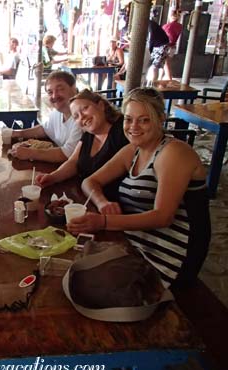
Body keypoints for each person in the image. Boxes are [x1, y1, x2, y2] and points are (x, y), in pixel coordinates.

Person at [67, 88, 211, 288]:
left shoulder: (174, 152)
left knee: (89, 283)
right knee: (73, 269)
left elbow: (163, 216)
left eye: (144, 120)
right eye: (128, 119)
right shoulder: (133, 150)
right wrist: (102, 203)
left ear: (160, 119)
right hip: (135, 242)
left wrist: (103, 222)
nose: (133, 127)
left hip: (170, 255)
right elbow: (89, 182)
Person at [36, 89, 128, 201]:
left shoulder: (122, 132)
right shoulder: (89, 135)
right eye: (76, 116)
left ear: (101, 105)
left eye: (85, 108)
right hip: (85, 198)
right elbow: (73, 162)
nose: (82, 117)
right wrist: (53, 177)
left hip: (111, 204)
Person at [10, 71, 82, 163]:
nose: (54, 96)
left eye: (60, 89)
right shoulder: (57, 113)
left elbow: (66, 154)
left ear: (74, 89)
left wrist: (30, 153)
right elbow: (44, 129)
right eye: (50, 92)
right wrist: (18, 133)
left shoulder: (81, 118)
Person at [146, 7, 170, 82]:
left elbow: (151, 38)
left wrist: (149, 50)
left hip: (161, 45)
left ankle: (153, 83)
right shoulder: (150, 24)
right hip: (159, 45)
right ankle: (154, 81)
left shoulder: (150, 24)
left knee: (154, 66)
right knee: (156, 65)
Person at [162, 10, 183, 80]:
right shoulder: (180, 26)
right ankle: (163, 77)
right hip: (173, 46)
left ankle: (169, 78)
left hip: (166, 46)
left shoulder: (167, 26)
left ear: (171, 16)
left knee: (165, 63)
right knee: (167, 63)